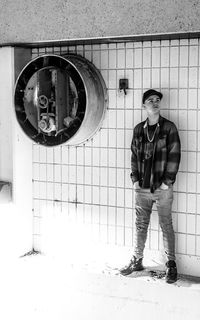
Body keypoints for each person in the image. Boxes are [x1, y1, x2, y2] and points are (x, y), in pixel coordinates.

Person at [120, 89, 181, 283]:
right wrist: (135, 180)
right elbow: (133, 156)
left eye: (157, 100)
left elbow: (175, 155)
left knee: (166, 225)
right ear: (143, 105)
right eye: (150, 100)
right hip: (143, 188)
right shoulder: (139, 129)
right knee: (140, 225)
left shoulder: (169, 128)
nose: (155, 103)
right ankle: (137, 260)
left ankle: (171, 265)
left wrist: (167, 182)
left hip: (162, 189)